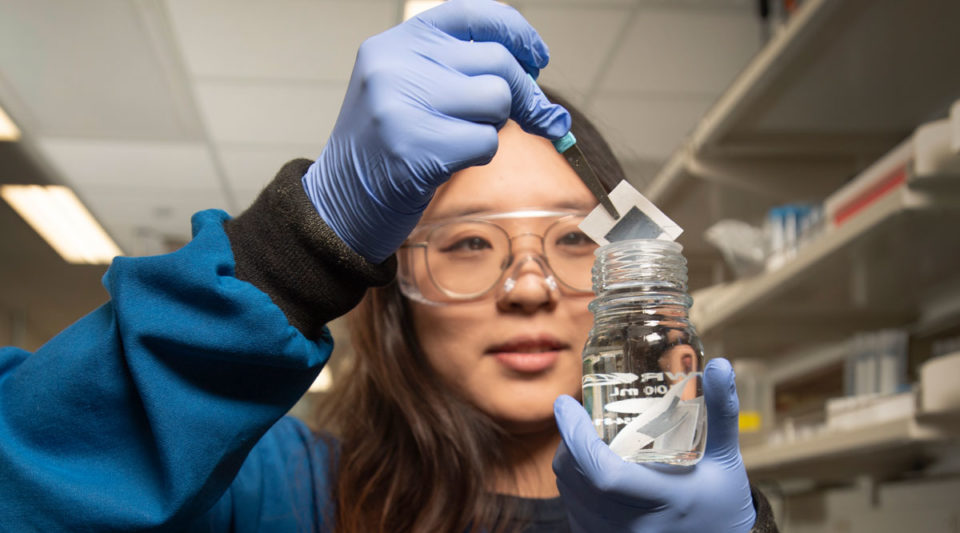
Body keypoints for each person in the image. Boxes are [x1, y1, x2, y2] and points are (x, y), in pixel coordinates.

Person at [0, 1, 778, 532]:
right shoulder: (282, 492)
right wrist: (294, 248)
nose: (531, 288)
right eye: (470, 243)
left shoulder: (703, 510)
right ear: (396, 287)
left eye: (575, 239)